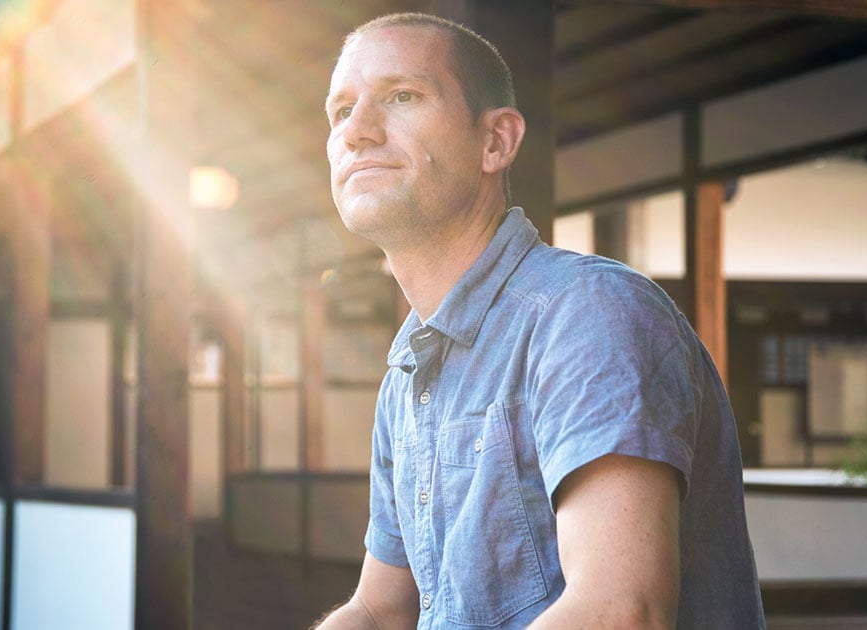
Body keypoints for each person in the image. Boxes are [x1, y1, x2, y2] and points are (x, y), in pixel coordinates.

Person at [314, 12, 764, 629]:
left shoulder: (587, 313)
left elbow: (620, 611)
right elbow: (380, 609)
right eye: (341, 111)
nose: (357, 131)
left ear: (495, 141)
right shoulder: (410, 368)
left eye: (402, 96)